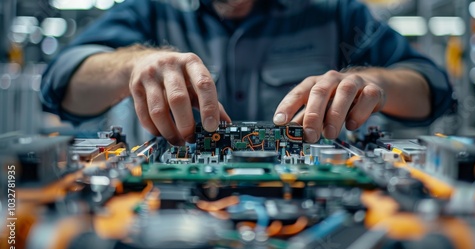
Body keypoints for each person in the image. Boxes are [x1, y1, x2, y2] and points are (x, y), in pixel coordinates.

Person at [41, 0, 453, 146]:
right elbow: (60, 84)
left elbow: (432, 89)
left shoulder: (337, 12)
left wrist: (375, 83)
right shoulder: (150, 9)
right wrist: (132, 64)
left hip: (320, 219)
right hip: (162, 221)